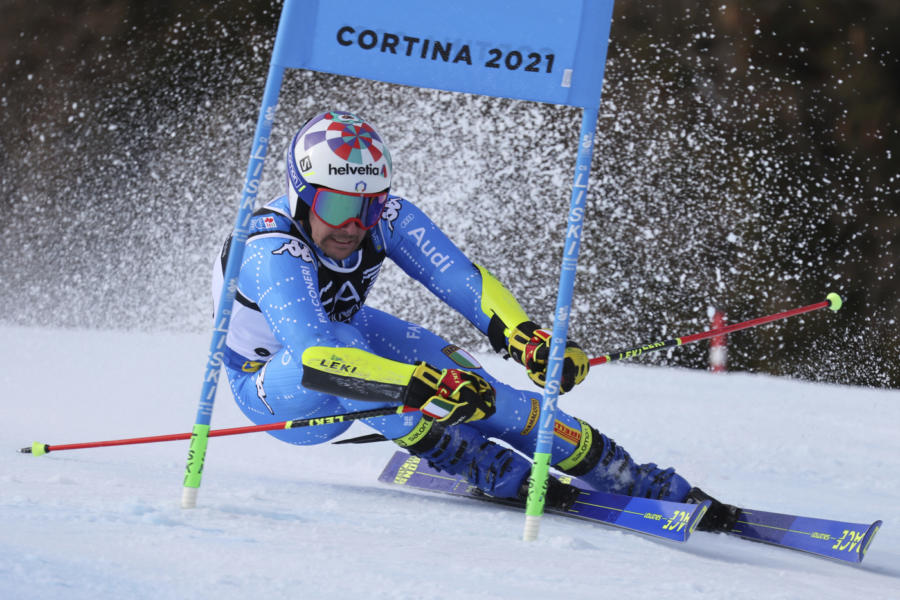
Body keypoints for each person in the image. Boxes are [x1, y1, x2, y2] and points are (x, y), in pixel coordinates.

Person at [212, 110, 738, 531]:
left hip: (344, 346)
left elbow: (462, 279)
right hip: (278, 388)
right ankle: (473, 460)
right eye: (336, 206)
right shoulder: (269, 250)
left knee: (483, 391)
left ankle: (631, 478)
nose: (353, 225)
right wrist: (420, 386)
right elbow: (319, 360)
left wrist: (525, 336)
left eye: (368, 207)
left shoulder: (389, 217)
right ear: (301, 194)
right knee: (360, 350)